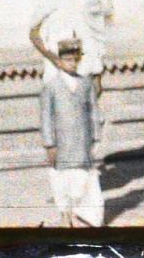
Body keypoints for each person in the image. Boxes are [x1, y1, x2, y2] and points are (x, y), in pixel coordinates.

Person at [37, 36, 103, 227]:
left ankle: (84, 214)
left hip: (82, 141)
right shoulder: (51, 86)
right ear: (59, 60)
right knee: (61, 179)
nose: (72, 64)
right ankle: (65, 213)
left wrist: (96, 137)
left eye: (75, 60)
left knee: (83, 178)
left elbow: (93, 111)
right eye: (67, 60)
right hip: (61, 143)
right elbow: (46, 117)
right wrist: (50, 144)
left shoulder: (86, 84)